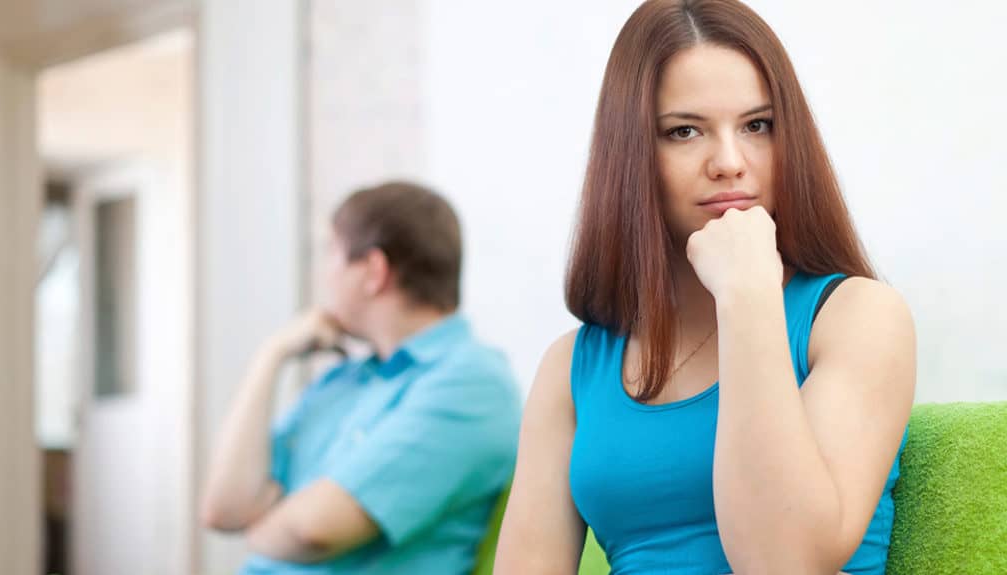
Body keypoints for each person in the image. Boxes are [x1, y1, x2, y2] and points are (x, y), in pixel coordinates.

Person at [494, 1, 915, 574]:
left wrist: (747, 295)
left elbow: (784, 562)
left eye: (756, 125)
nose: (730, 162)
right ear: (632, 153)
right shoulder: (572, 367)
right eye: (685, 131)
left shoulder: (858, 317)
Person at [201, 181, 522, 574]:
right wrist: (271, 356)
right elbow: (224, 508)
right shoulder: (344, 380)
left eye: (331, 255)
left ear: (374, 271)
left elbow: (313, 531)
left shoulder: (471, 384)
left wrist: (254, 530)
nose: (325, 276)